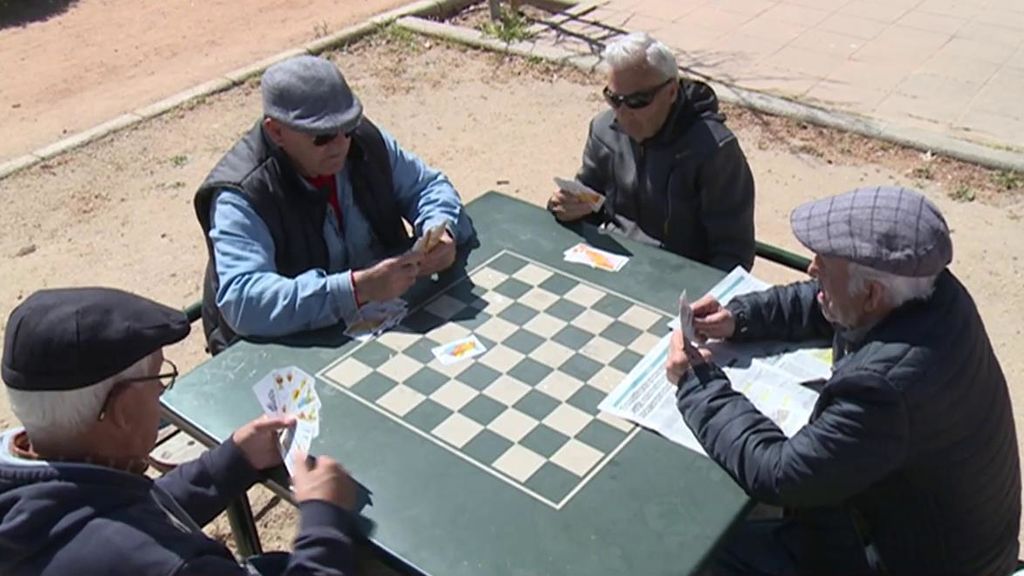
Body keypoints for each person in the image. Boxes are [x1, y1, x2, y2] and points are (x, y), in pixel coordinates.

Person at [665, 186, 1020, 575]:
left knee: (692, 553)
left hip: (909, 562)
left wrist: (697, 382)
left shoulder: (882, 389)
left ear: (871, 293)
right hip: (953, 539)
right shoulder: (930, 293)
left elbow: (779, 474)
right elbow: (829, 303)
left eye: (823, 263)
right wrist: (740, 318)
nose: (811, 268)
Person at [0, 287, 361, 575]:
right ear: (123, 411)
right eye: (159, 377)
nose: (162, 391)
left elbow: (126, 506)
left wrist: (233, 460)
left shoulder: (33, 489)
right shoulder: (166, 564)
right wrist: (324, 517)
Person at [195, 55, 475, 354]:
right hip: (288, 350)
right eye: (323, 136)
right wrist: (356, 289)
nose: (341, 144)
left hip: (374, 325)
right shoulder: (242, 194)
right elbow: (245, 302)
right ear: (277, 131)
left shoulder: (366, 142)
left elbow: (428, 186)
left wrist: (441, 230)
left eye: (347, 127)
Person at [548, 32, 755, 272]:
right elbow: (589, 203)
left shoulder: (714, 151)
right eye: (614, 99)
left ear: (671, 92)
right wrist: (566, 207)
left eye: (638, 101)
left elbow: (733, 254)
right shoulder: (603, 130)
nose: (623, 113)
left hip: (678, 277)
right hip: (613, 263)